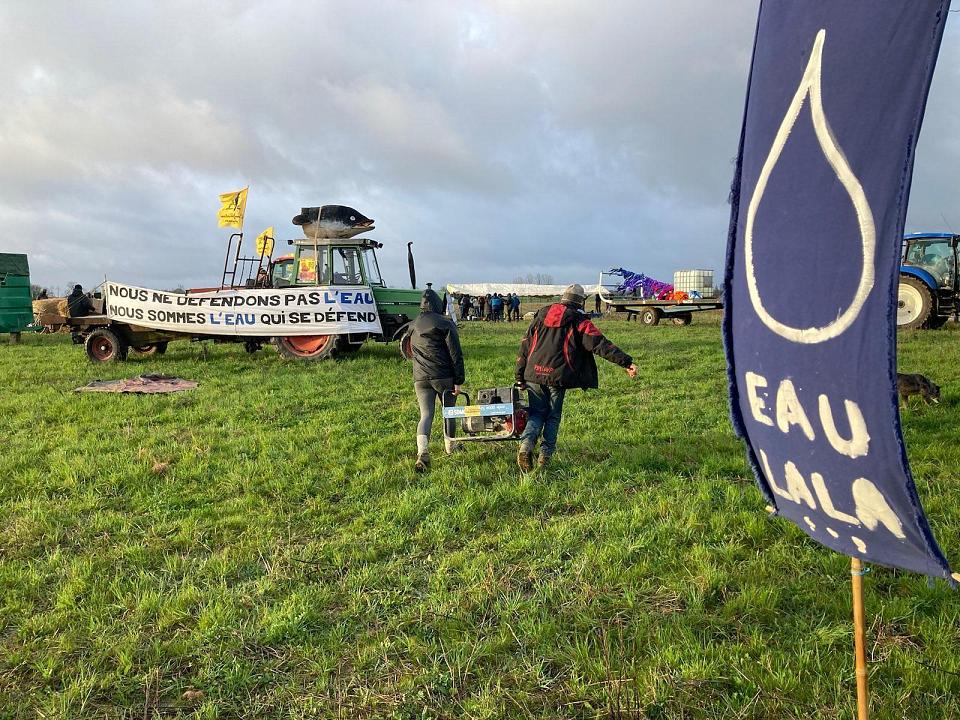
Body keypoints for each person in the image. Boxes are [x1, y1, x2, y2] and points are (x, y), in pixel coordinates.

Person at [515, 283, 637, 470]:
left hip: (533, 374)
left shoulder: (540, 315)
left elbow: (525, 345)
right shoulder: (579, 321)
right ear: (580, 302)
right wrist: (626, 362)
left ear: (563, 297)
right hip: (558, 375)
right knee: (553, 416)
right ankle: (545, 457)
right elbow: (600, 344)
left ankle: (526, 446)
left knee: (537, 413)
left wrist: (519, 376)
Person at [404, 287, 466, 472]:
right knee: (449, 412)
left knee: (426, 415)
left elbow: (409, 349)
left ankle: (422, 451)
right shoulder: (445, 323)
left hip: (420, 378)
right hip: (443, 376)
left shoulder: (412, 325)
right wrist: (458, 379)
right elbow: (455, 353)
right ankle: (450, 447)